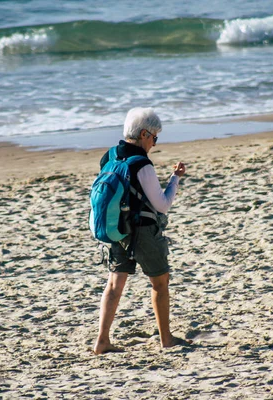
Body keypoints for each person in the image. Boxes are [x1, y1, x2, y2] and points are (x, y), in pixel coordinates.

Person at [93, 107, 189, 354]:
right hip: (143, 231)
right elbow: (162, 205)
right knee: (160, 282)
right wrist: (174, 179)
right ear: (144, 134)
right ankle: (166, 339)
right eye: (154, 138)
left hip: (117, 229)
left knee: (115, 284)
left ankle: (102, 340)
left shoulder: (110, 156)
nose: (154, 144)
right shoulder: (142, 164)